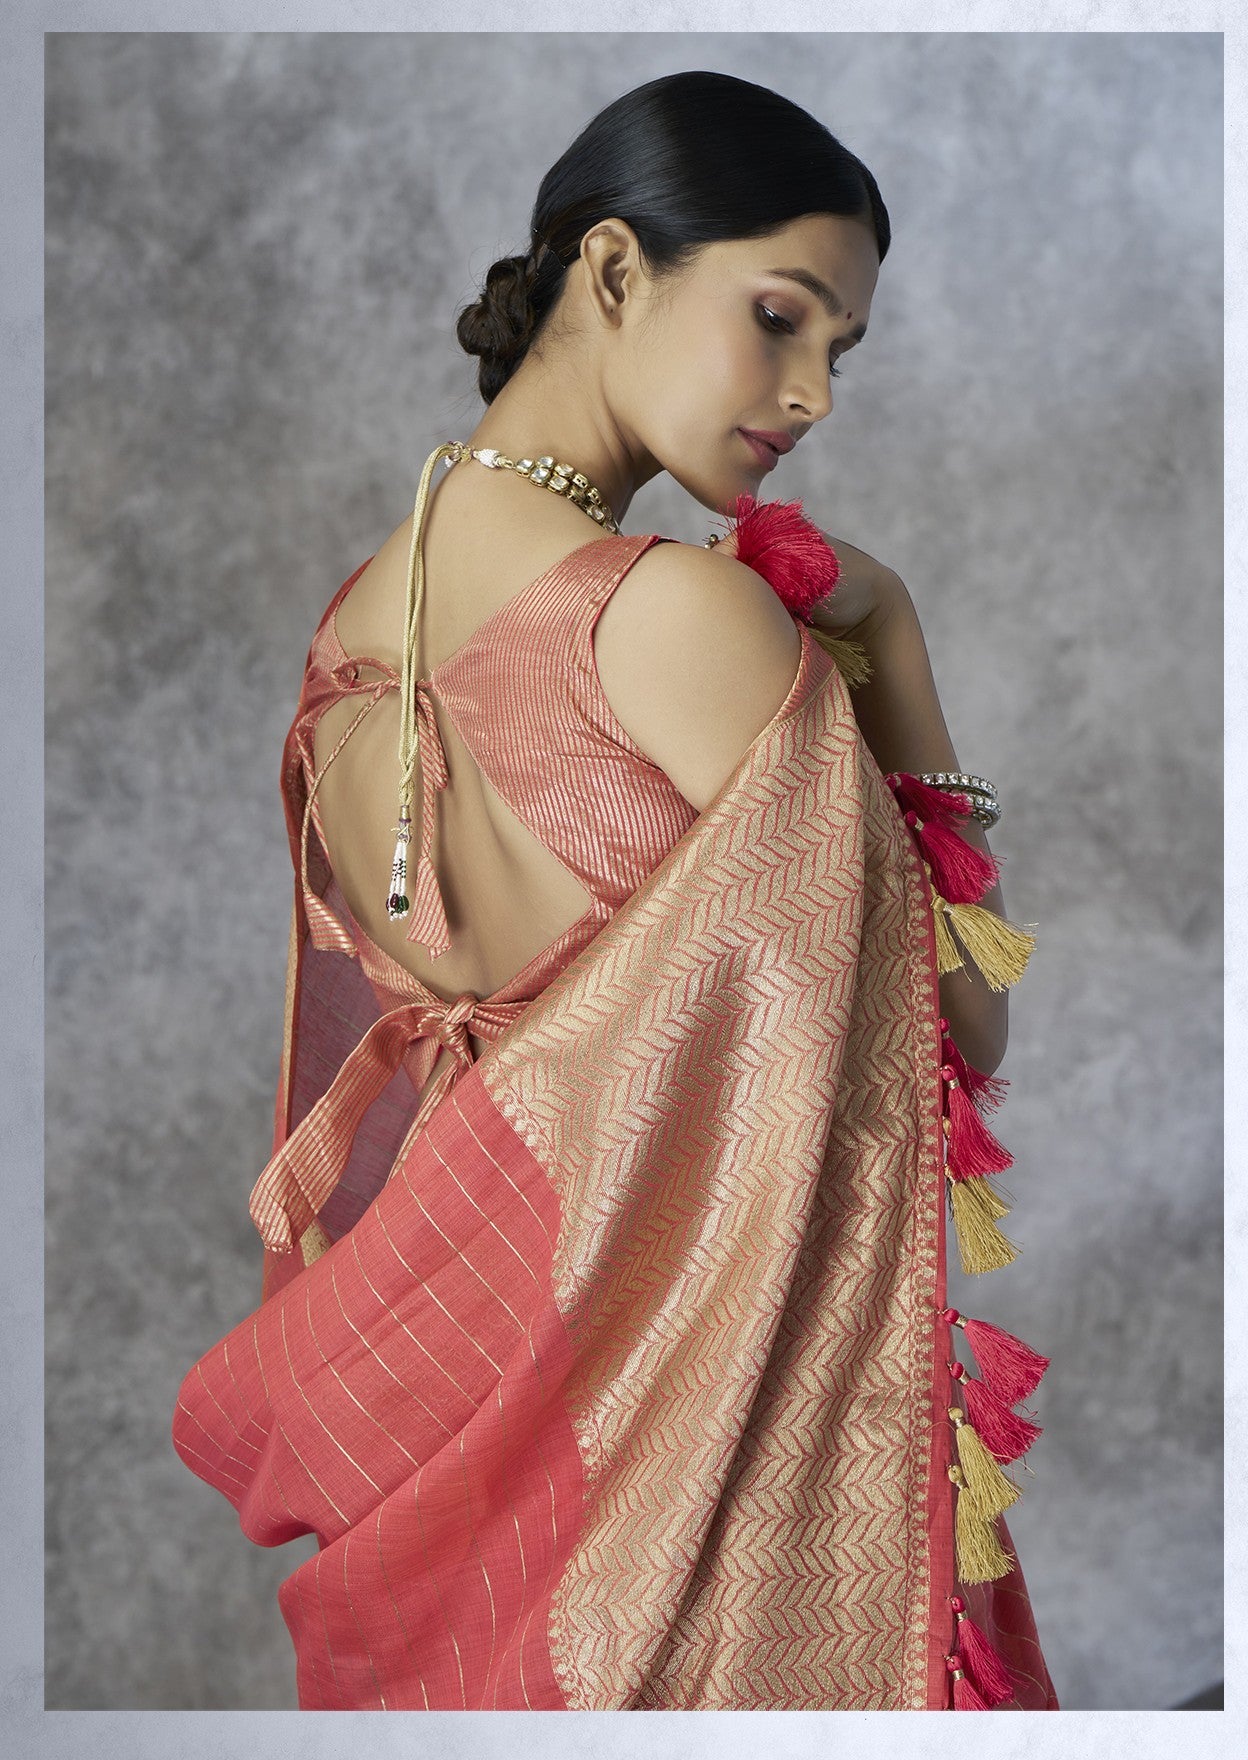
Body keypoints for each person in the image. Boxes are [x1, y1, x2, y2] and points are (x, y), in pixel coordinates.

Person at [172, 70, 1059, 1711]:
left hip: (488, 1430)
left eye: (842, 351)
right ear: (613, 268)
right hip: (692, 1468)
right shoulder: (676, 619)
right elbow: (955, 1035)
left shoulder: (353, 627)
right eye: (780, 316)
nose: (813, 393)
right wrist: (899, 658)